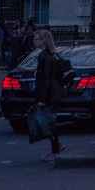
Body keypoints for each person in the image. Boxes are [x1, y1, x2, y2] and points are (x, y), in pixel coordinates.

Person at [32, 29, 65, 160]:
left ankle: (56, 148)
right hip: (51, 93)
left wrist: (42, 99)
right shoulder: (48, 55)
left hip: (49, 94)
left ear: (43, 41)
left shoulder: (45, 57)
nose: (34, 41)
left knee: (48, 122)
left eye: (37, 39)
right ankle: (56, 146)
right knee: (50, 121)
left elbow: (47, 80)